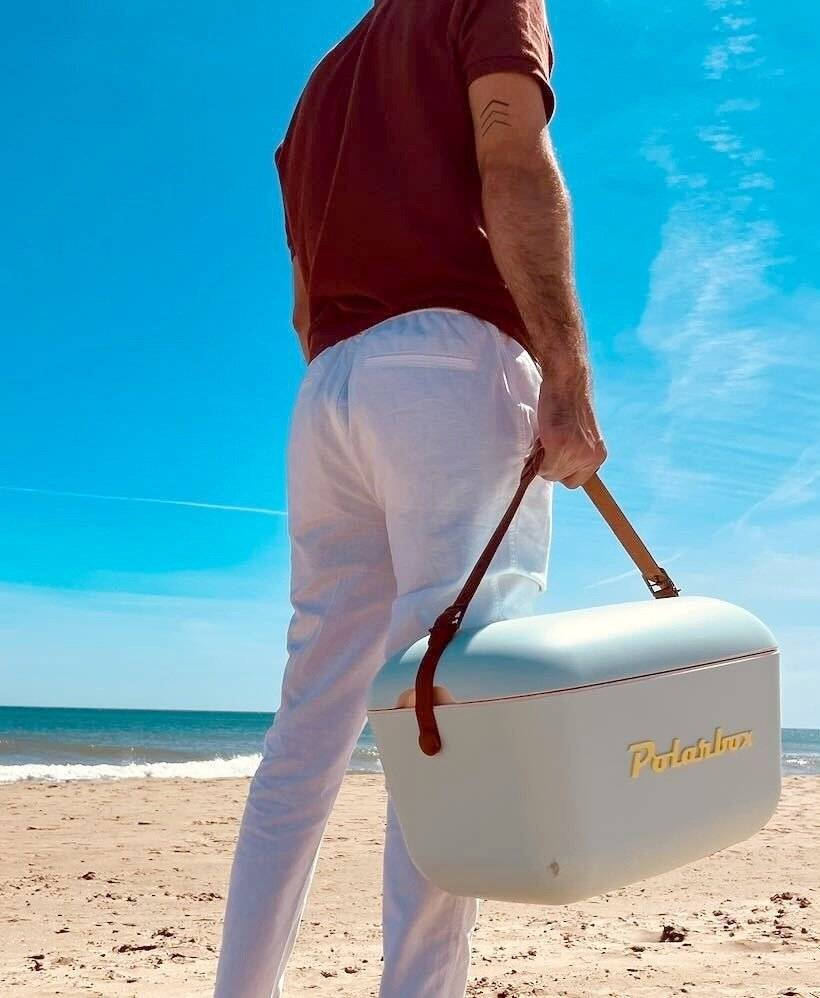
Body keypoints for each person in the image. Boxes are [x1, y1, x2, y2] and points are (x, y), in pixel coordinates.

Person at [213, 0, 606, 993]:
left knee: (307, 732)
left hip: (328, 388)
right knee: (450, 712)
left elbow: (301, 301)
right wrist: (566, 368)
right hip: (448, 360)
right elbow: (512, 161)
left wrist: (360, 394)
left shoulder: (318, 90)